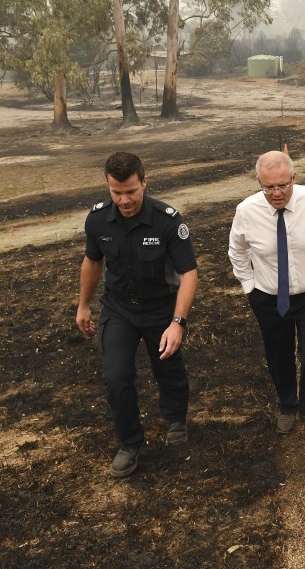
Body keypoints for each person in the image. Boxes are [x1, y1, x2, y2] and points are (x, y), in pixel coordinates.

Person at [76, 152, 198, 478]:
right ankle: (129, 444)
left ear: (144, 181)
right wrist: (83, 304)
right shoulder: (98, 220)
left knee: (168, 368)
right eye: (116, 193)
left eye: (131, 191)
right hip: (119, 309)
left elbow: (189, 274)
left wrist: (178, 322)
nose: (124, 200)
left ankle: (175, 418)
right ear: (108, 186)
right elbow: (92, 262)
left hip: (161, 309)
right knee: (116, 377)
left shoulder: (168, 221)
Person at [228, 151, 305, 445]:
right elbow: (237, 251)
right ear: (258, 182)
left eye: (282, 185)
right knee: (278, 355)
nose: (276, 193)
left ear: (294, 178)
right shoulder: (247, 211)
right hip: (270, 297)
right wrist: (250, 287)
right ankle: (287, 404)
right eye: (268, 187)